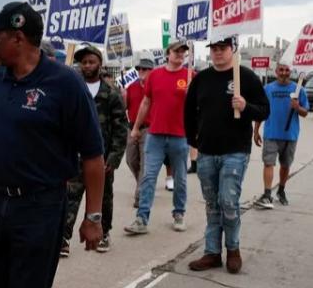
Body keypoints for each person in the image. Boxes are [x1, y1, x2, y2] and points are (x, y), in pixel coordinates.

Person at [0, 2, 105, 288]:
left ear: (18, 38)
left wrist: (93, 216)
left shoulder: (65, 83)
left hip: (40, 206)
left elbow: (93, 156)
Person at [185, 37, 269, 273]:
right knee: (212, 204)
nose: (218, 52)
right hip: (206, 152)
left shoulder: (245, 77)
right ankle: (212, 253)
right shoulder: (201, 79)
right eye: (214, 48)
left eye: (222, 48)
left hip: (235, 151)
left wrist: (245, 107)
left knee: (228, 202)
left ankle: (233, 249)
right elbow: (189, 112)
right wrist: (193, 140)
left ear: (232, 49)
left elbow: (265, 110)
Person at [63, 45, 128, 255]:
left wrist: (114, 158)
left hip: (102, 159)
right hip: (74, 157)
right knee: (69, 197)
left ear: (100, 64)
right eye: (84, 62)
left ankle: (104, 233)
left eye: (91, 62)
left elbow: (121, 129)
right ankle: (63, 237)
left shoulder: (111, 94)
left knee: (103, 198)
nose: (87, 65)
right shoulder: (73, 90)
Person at [125, 41, 190, 235]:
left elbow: (199, 106)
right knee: (148, 177)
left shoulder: (190, 76)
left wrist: (191, 94)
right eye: (176, 51)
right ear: (168, 53)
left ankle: (179, 214)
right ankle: (141, 218)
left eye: (183, 52)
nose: (180, 55)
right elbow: (146, 102)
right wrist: (136, 127)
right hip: (155, 135)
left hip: (179, 136)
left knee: (180, 179)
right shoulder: (155, 75)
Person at [253, 62, 309, 208]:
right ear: (276, 71)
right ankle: (267, 194)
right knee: (268, 163)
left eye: (287, 70)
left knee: (285, 165)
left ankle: (281, 190)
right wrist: (256, 130)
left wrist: (297, 107)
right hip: (271, 133)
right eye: (281, 70)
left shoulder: (298, 89)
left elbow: (305, 112)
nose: (284, 73)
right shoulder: (268, 89)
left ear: (290, 72)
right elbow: (261, 111)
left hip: (290, 134)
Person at [124, 58, 154, 208]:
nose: (141, 71)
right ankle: (145, 185)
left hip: (149, 129)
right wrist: (122, 96)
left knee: (144, 164)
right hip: (132, 128)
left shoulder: (155, 87)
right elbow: (124, 107)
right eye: (139, 69)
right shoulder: (131, 87)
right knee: (130, 160)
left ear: (151, 71)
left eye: (144, 69)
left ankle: (140, 196)